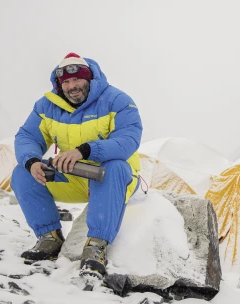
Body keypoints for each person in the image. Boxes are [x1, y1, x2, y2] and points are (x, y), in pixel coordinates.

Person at [10, 53, 142, 278]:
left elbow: (127, 141)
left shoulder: (118, 101)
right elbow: (27, 136)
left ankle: (96, 246)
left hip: (113, 180)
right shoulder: (46, 106)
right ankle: (49, 238)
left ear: (89, 79)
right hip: (74, 178)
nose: (72, 86)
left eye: (77, 80)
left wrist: (84, 150)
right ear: (59, 84)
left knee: (116, 167)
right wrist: (31, 160)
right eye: (66, 82)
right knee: (22, 173)